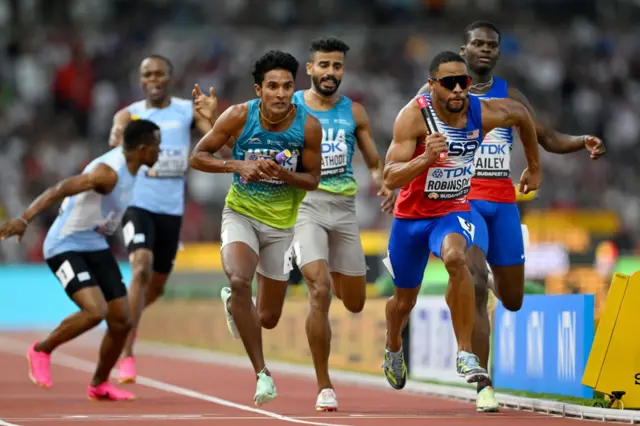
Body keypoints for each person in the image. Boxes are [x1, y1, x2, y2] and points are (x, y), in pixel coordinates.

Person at [415, 21, 606, 412]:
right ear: (463, 49)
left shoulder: (509, 96)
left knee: (514, 300)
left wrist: (580, 141)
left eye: (491, 45)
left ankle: (490, 280)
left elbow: (546, 137)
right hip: (460, 198)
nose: (484, 49)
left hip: (502, 200)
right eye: (477, 43)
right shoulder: (432, 93)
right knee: (476, 284)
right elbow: (409, 142)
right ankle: (484, 383)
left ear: (498, 53)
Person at [382, 51, 542, 397]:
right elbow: (390, 176)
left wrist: (533, 165)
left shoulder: (480, 112)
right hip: (410, 220)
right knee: (402, 303)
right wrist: (425, 158)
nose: (457, 89)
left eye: (463, 82)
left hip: (451, 211)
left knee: (457, 259)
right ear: (432, 85)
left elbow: (521, 115)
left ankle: (465, 353)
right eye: (448, 83)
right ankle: (393, 344)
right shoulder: (413, 118)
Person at [189, 50, 323, 406]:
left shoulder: (308, 125)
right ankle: (263, 375)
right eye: (273, 86)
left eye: (287, 87)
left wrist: (284, 174)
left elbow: (312, 180)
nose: (280, 94)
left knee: (267, 317)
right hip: (242, 214)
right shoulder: (238, 115)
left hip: (281, 227)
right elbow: (198, 157)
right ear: (258, 89)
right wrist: (237, 167)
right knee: (238, 279)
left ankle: (236, 305)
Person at [0, 119, 161, 401]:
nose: (161, 150)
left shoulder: (137, 167)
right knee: (95, 312)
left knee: (122, 321)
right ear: (143, 148)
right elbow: (60, 188)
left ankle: (99, 385)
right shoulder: (107, 174)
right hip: (65, 244)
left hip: (94, 244)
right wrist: (24, 219)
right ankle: (41, 350)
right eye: (157, 145)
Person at [290, 37, 396, 412]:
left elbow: (372, 161)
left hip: (344, 209)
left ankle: (329, 266)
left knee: (353, 301)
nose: (330, 72)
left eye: (337, 66)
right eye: (324, 65)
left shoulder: (356, 112)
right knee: (319, 291)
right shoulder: (292, 107)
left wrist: (382, 181)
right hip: (306, 206)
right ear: (309, 68)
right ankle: (324, 385)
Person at [107, 55, 220, 384]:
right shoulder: (129, 114)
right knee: (140, 266)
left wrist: (211, 119)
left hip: (171, 211)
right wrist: (118, 136)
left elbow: (216, 144)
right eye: (147, 74)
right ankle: (126, 354)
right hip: (136, 203)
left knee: (155, 286)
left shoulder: (186, 111)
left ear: (170, 78)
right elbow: (116, 136)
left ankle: (131, 318)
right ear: (140, 80)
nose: (153, 79)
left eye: (159, 73)